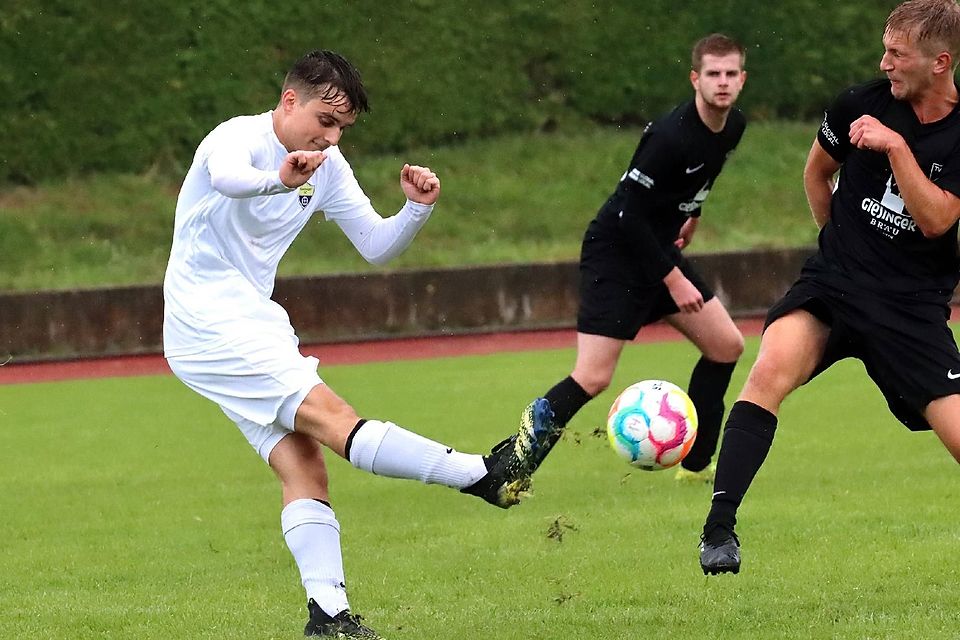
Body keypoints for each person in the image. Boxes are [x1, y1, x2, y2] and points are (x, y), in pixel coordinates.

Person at [162, 50, 557, 638]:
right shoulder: (237, 138)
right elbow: (226, 178)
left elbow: (374, 245)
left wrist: (415, 210)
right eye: (325, 121)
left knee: (305, 469)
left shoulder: (329, 165)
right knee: (334, 420)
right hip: (208, 318)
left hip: (252, 320)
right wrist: (279, 177)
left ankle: (328, 617)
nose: (332, 137)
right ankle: (481, 474)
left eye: (342, 128)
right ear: (289, 100)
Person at [699, 0, 960, 576]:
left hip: (909, 309)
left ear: (940, 62)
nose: (885, 62)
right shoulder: (856, 102)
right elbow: (817, 172)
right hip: (834, 286)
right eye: (884, 48)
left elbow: (938, 218)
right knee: (767, 374)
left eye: (898, 53)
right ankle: (719, 530)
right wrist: (837, 245)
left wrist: (895, 146)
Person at [518, 34, 748, 485]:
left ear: (742, 79)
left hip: (658, 246)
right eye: (712, 74)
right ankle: (515, 464)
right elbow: (627, 215)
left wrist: (692, 213)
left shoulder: (733, 126)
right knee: (592, 376)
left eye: (730, 74)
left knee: (726, 346)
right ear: (694, 79)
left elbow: (699, 175)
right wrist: (673, 279)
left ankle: (696, 466)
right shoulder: (668, 136)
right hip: (618, 253)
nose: (722, 83)